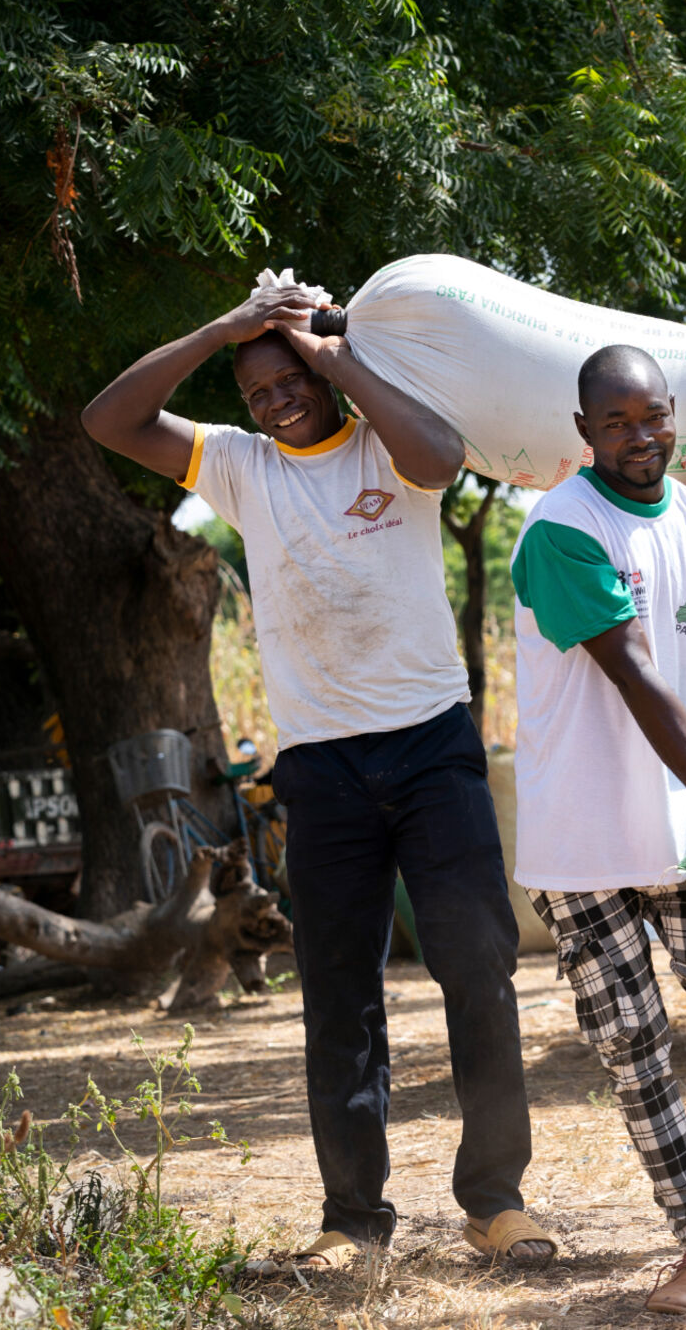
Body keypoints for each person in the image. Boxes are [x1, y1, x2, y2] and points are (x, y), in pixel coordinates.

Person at [80, 276, 555, 1273]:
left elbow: (439, 457)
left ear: (326, 371)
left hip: (432, 746)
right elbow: (110, 418)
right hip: (323, 766)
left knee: (477, 964)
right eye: (254, 390)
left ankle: (495, 1199)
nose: (272, 399)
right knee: (338, 990)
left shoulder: (391, 438)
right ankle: (352, 1222)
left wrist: (330, 346)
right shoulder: (241, 467)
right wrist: (229, 329)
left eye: (285, 380)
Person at [511, 344, 686, 1314]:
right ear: (585, 432)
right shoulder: (559, 528)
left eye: (655, 417)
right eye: (618, 423)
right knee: (631, 1037)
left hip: (677, 820)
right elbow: (632, 671)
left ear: (677, 418)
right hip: (580, 830)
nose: (641, 438)